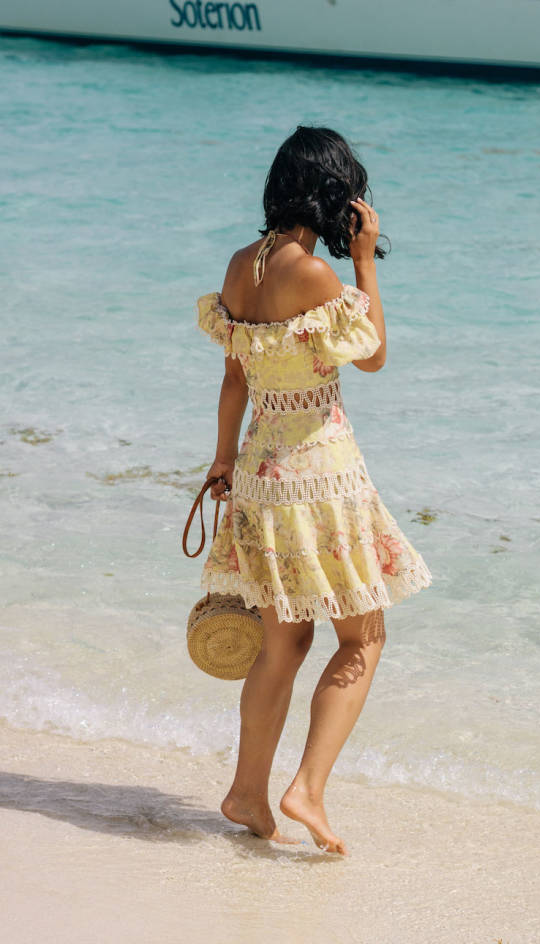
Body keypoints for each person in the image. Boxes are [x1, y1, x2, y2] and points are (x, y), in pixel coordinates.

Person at [196, 126, 431, 855]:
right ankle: (307, 788)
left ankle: (246, 791)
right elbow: (373, 358)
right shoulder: (317, 274)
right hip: (319, 474)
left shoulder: (241, 267)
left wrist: (220, 461)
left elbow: (234, 376)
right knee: (364, 636)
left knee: (283, 641)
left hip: (260, 473)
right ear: (333, 194)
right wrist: (363, 262)